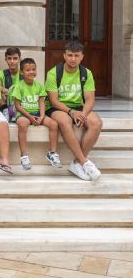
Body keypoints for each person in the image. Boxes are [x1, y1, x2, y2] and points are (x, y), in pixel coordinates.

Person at [45, 41, 102, 181]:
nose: (73, 59)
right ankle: (84, 162)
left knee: (96, 123)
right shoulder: (54, 73)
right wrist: (71, 112)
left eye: (76, 55)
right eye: (70, 55)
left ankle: (76, 163)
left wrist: (82, 114)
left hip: (78, 107)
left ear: (82, 56)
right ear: (64, 56)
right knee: (65, 122)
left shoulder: (86, 73)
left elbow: (89, 99)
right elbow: (53, 100)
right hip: (58, 107)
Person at [13, 58, 62, 170]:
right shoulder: (19, 86)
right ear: (21, 72)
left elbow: (41, 102)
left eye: (33, 69)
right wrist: (30, 117)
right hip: (24, 114)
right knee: (22, 124)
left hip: (37, 113)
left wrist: (42, 116)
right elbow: (17, 106)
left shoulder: (39, 85)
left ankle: (52, 153)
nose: (31, 72)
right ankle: (24, 155)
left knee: (54, 124)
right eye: (28, 70)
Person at [0, 47, 22, 121]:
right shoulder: (0, 74)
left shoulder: (24, 74)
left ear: (19, 59)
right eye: (9, 58)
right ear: (6, 59)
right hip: (5, 103)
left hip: (20, 104)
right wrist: (2, 89)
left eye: (15, 58)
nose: (12, 61)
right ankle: (6, 112)